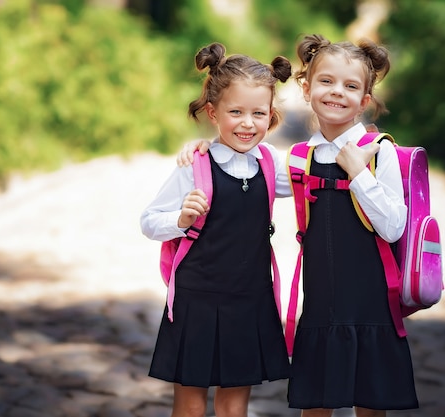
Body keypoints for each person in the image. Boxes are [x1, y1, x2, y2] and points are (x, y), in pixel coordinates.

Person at [177, 34, 418, 417]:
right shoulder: (300, 160)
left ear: (365, 100)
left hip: (371, 308)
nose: (337, 92)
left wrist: (358, 172)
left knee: (371, 406)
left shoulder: (379, 152)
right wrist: (205, 149)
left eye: (351, 86)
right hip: (320, 308)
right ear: (306, 89)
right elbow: (251, 169)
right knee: (315, 407)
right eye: (326, 81)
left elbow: (392, 228)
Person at [140, 42, 292, 417]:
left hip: (249, 298)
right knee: (190, 403)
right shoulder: (196, 164)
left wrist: (360, 145)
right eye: (235, 111)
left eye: (258, 113)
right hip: (198, 299)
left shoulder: (271, 166)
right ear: (213, 112)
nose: (247, 123)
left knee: (234, 405)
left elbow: (315, 180)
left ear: (270, 116)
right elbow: (149, 221)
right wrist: (180, 219)